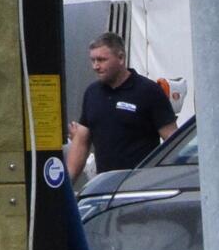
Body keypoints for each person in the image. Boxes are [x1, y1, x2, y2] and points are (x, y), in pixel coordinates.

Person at [66, 32, 177, 179]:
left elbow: (173, 141)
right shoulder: (92, 93)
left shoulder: (148, 91)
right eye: (92, 60)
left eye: (101, 60)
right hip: (105, 186)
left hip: (140, 186)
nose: (95, 66)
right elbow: (81, 142)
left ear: (121, 58)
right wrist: (65, 187)